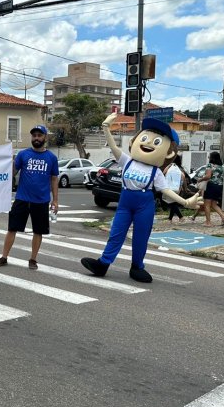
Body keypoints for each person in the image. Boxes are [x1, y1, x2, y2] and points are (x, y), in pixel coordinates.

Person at [80, 116, 202, 283]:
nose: (149, 143)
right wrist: (106, 127)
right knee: (116, 233)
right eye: (145, 138)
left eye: (157, 142)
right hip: (125, 203)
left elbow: (165, 191)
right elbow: (114, 147)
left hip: (144, 206)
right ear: (135, 140)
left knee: (141, 237)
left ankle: (137, 266)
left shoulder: (156, 172)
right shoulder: (127, 161)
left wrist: (186, 202)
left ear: (169, 152)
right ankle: (103, 263)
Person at [0, 125, 58, 270]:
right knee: (12, 228)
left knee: (38, 231)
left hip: (41, 201)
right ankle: (4, 257)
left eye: (39, 135)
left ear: (45, 137)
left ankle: (33, 259)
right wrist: (6, 165)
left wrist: (55, 200)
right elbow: (13, 172)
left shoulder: (51, 158)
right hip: (22, 199)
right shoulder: (23, 154)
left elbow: (54, 179)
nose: (36, 138)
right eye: (34, 135)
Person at [192, 151, 224, 226]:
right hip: (219, 186)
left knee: (207, 204)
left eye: (209, 156)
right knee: (214, 204)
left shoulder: (210, 165)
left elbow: (208, 176)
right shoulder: (221, 167)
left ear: (212, 158)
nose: (208, 157)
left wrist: (200, 179)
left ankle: (208, 222)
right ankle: (223, 217)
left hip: (211, 186)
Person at [164, 153, 186, 221]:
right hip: (178, 188)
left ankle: (180, 217)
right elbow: (183, 177)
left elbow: (164, 173)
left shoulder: (170, 167)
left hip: (169, 188)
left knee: (172, 203)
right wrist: (182, 187)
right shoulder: (180, 168)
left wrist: (168, 166)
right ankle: (170, 218)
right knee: (173, 202)